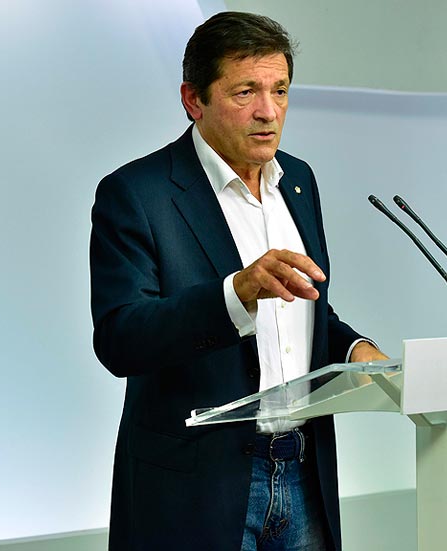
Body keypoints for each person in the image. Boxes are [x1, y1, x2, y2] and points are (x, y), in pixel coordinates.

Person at [90, 11, 387, 551]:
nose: (268, 111)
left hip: (303, 474)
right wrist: (236, 294)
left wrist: (354, 349)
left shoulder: (298, 181)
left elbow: (306, 309)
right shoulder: (138, 194)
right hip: (196, 492)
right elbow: (120, 338)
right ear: (193, 99)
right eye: (245, 91)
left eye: (280, 90)